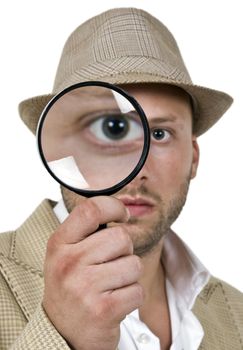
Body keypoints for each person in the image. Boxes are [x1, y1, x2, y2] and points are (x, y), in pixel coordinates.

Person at [0, 7, 242, 350]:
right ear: (60, 150)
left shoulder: (237, 314)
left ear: (194, 158)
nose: (137, 169)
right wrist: (60, 335)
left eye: (159, 134)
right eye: (111, 128)